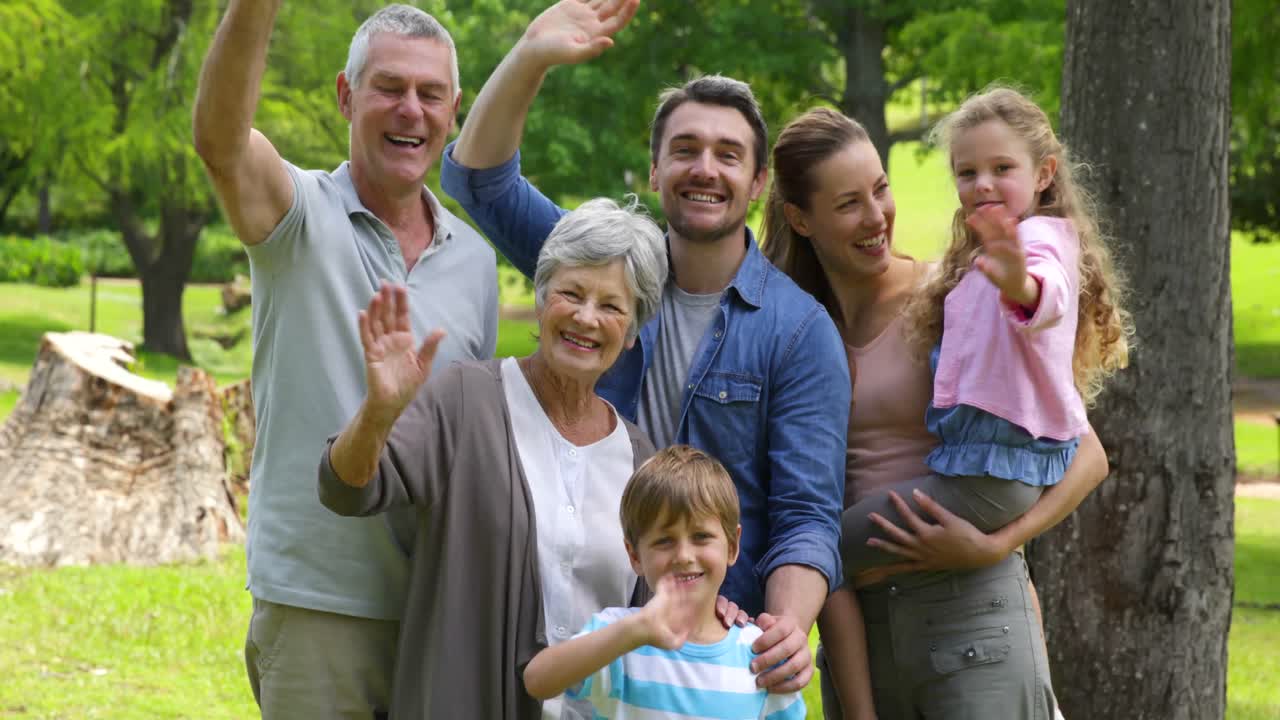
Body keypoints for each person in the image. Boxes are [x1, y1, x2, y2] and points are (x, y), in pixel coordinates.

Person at [441, 0, 851, 691]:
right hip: (577, 622)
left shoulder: (800, 333)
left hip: (707, 656)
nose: (705, 169)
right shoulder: (602, 269)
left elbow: (807, 515)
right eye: (685, 150)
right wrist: (531, 55)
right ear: (655, 169)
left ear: (756, 185)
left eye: (728, 155)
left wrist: (780, 630)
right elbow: (478, 182)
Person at [760, 98, 1127, 719]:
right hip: (860, 632)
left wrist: (996, 544)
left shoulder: (953, 300)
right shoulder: (787, 328)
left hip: (970, 617)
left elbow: (1085, 454)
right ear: (800, 219)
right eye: (849, 203)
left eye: (880, 190)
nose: (877, 216)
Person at [193, 4, 497, 717]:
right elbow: (220, 141)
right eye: (389, 87)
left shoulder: (477, 263)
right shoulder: (297, 214)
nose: (410, 111)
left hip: (439, 611)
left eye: (430, 94)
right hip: (319, 609)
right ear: (345, 96)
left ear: (455, 110)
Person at [320, 198, 673, 719]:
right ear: (541, 297)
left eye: (611, 306)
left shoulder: (640, 457)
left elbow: (661, 606)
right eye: (570, 293)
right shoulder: (467, 399)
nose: (585, 317)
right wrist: (377, 412)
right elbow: (346, 489)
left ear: (632, 332)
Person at [524, 445, 807, 719]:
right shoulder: (621, 639)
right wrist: (633, 631)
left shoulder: (763, 655)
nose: (684, 556)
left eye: (701, 537)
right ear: (634, 556)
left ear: (732, 546)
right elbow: (537, 681)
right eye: (664, 541)